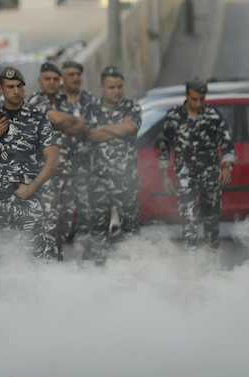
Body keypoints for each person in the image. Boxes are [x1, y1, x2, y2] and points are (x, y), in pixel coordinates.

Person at [0, 66, 58, 260]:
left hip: (29, 204)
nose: (16, 91)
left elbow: (53, 159)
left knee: (34, 261)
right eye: (10, 87)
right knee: (3, 263)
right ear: (0, 88)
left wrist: (32, 187)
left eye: (19, 86)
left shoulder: (38, 119)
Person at [159, 76, 235, 251]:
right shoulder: (174, 117)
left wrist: (227, 167)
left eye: (202, 99)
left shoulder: (213, 115)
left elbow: (226, 143)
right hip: (185, 177)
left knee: (212, 223)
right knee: (189, 223)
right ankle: (191, 262)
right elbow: (165, 147)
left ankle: (211, 260)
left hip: (210, 177)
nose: (198, 103)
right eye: (194, 99)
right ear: (186, 95)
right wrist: (164, 176)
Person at [25, 62, 87, 260]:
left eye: (55, 79)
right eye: (47, 79)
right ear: (40, 80)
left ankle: (57, 263)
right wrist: (67, 121)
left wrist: (62, 121)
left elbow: (82, 126)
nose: (51, 82)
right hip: (47, 175)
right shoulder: (36, 100)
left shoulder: (64, 101)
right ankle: (46, 267)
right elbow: (60, 120)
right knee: (49, 224)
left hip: (68, 172)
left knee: (65, 222)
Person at [83, 65, 142, 265]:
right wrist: (118, 128)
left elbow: (130, 127)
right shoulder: (90, 110)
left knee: (131, 231)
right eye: (111, 87)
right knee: (99, 232)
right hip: (98, 181)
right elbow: (88, 135)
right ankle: (98, 271)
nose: (116, 91)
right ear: (102, 87)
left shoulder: (132, 107)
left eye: (119, 87)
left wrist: (102, 128)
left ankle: (133, 270)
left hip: (126, 181)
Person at [59, 60, 97, 242]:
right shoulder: (54, 100)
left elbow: (94, 127)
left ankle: (83, 244)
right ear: (62, 77)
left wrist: (66, 125)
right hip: (60, 165)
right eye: (70, 74)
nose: (75, 78)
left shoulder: (89, 99)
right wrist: (78, 125)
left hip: (85, 164)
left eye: (78, 74)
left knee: (85, 206)